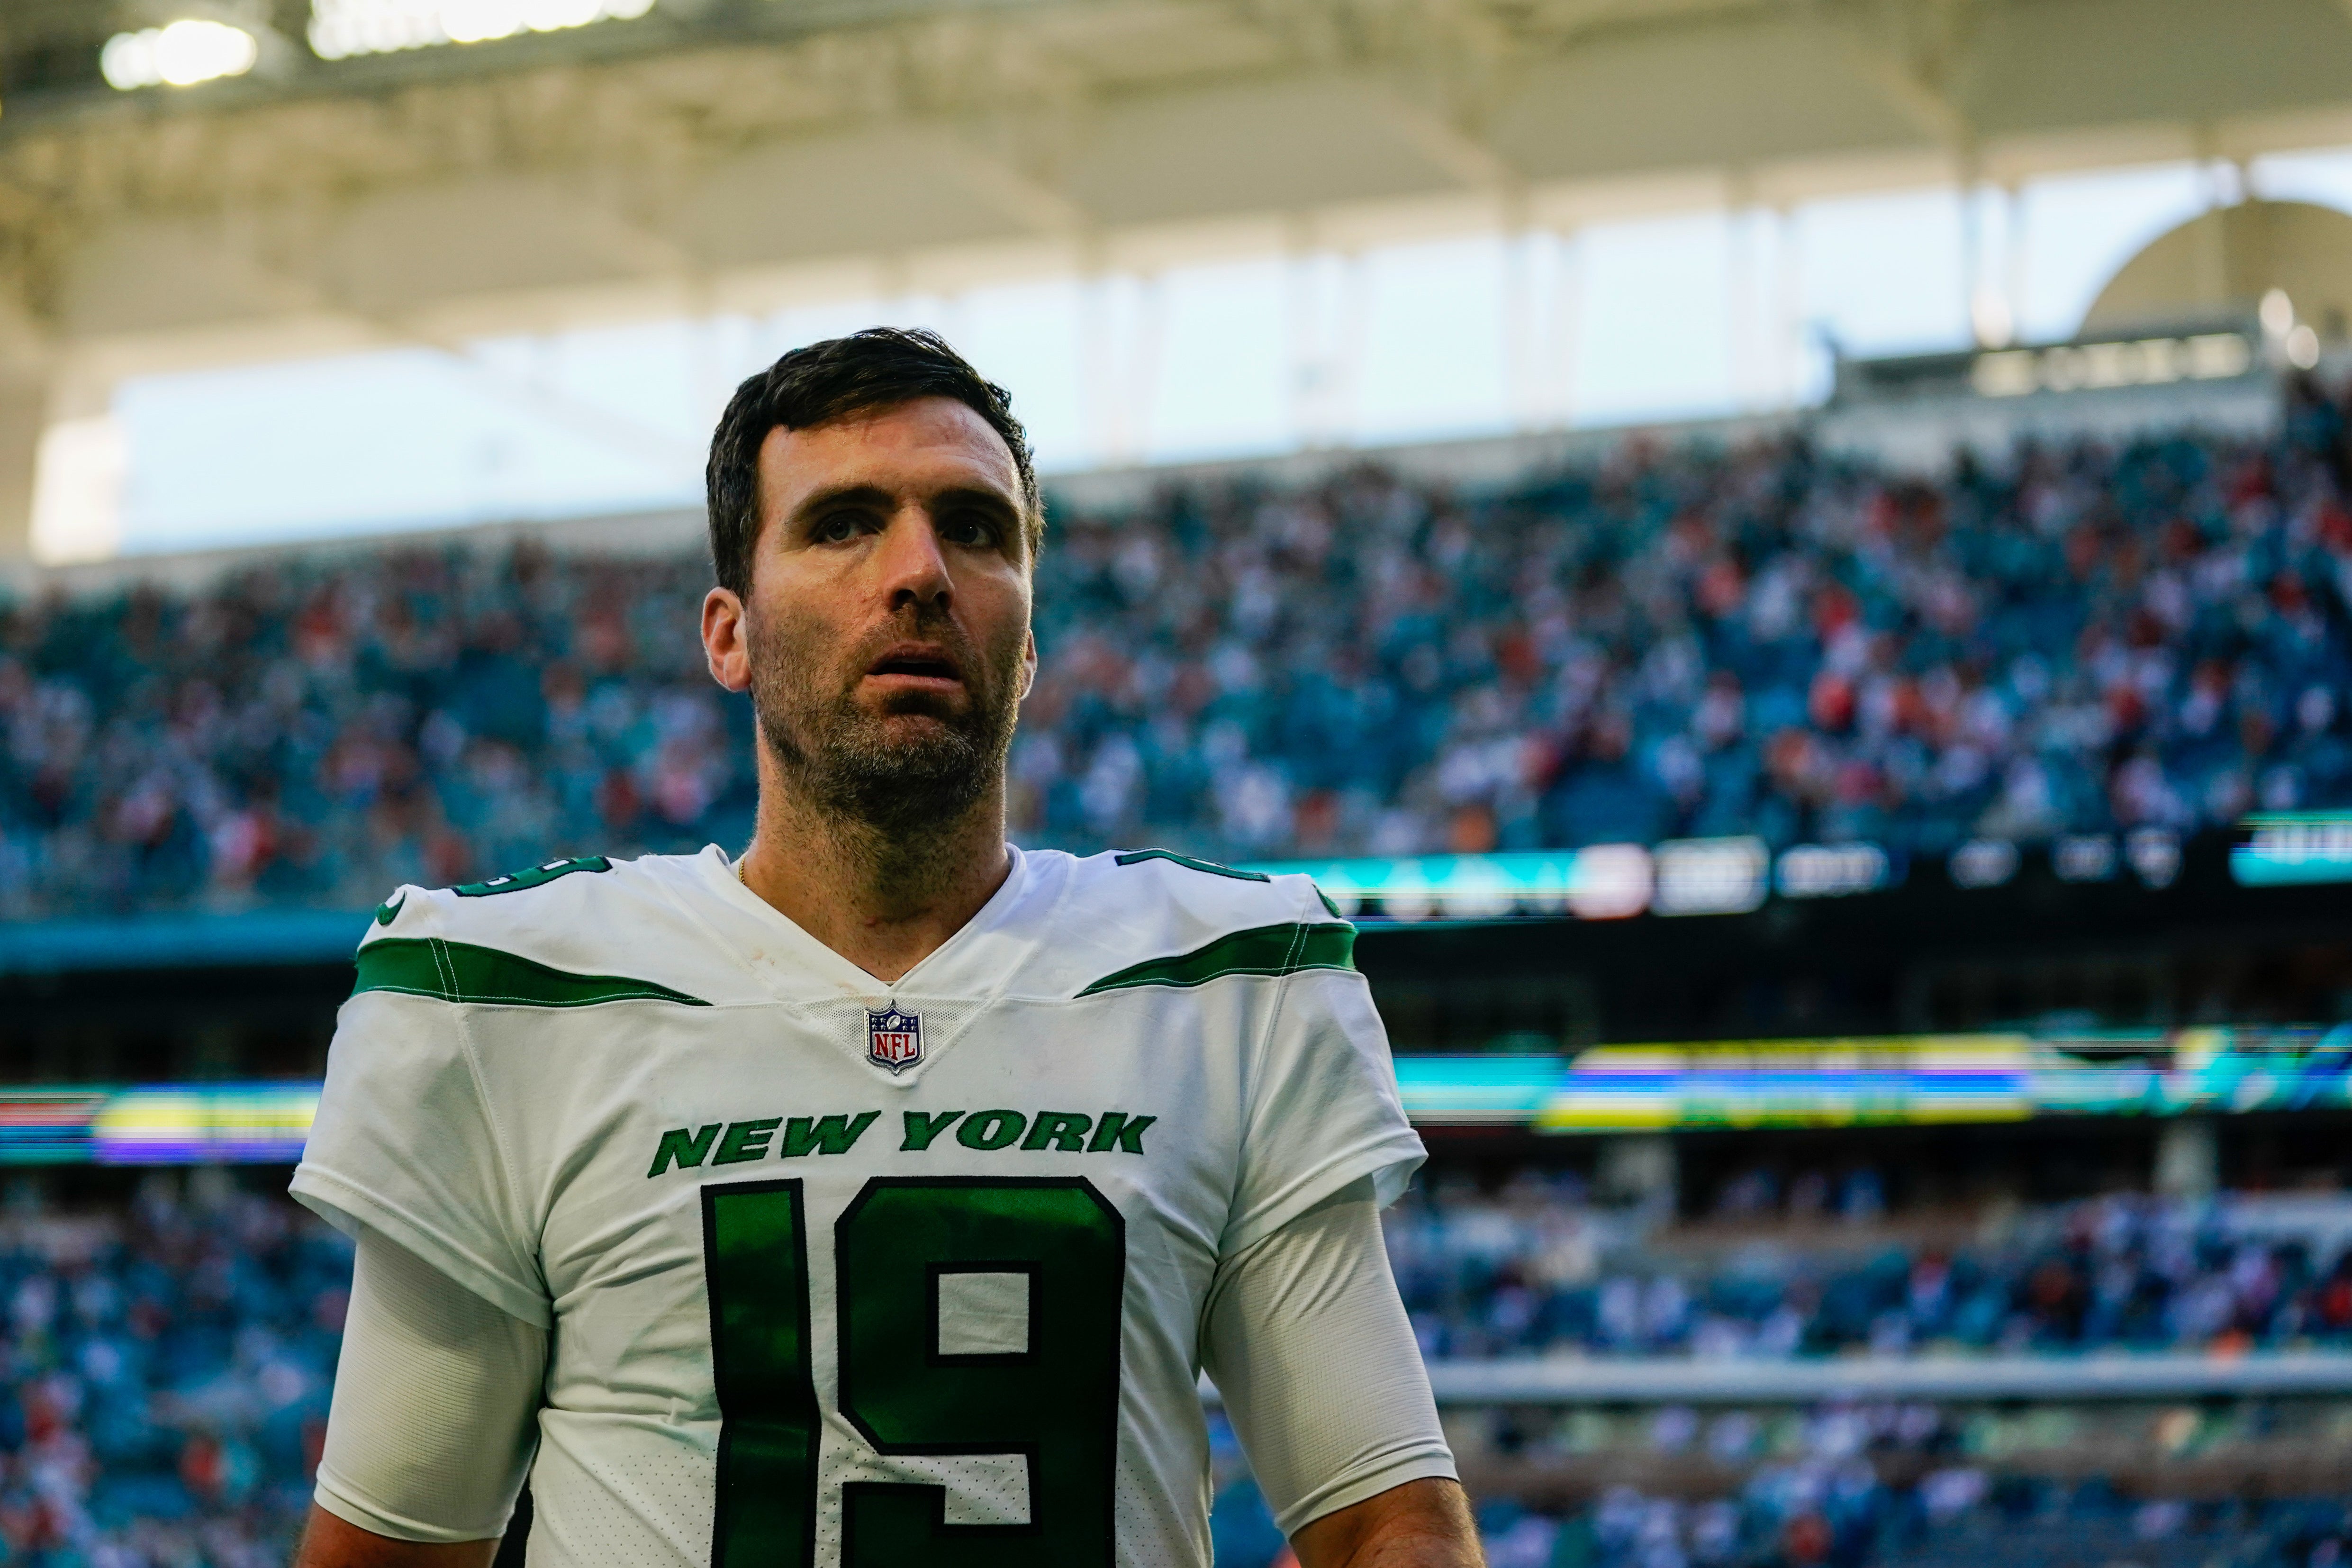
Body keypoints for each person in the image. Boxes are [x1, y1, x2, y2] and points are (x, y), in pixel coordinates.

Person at [288, 327, 1481, 1568]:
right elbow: (391, 1555)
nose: (919, 570)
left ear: (1026, 645)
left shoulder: (1226, 988)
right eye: (844, 523)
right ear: (727, 633)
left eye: (975, 528)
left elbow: (1386, 1529)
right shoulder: (516, 1002)